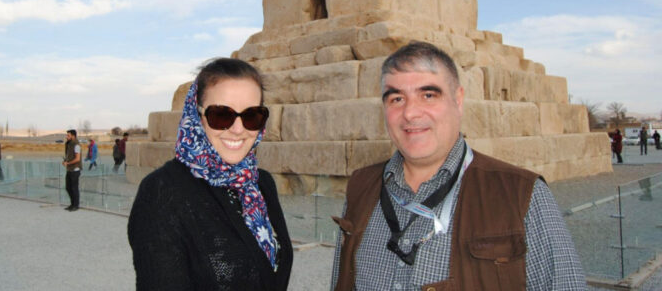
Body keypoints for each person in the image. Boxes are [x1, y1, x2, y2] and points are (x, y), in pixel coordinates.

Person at [330, 41, 585, 291]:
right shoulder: (360, 187)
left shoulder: (524, 195)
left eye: (428, 95)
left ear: (458, 100)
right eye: (396, 98)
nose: (410, 113)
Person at [128, 58, 293, 290]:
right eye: (221, 115)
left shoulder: (260, 182)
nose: (238, 129)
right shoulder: (162, 192)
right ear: (196, 117)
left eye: (251, 115)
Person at [62, 129, 82, 211]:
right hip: (69, 169)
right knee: (68, 187)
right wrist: (65, 162)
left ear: (73, 136)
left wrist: (68, 163)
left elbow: (77, 159)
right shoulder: (69, 144)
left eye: (68, 135)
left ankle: (76, 205)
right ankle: (72, 204)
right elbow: (69, 156)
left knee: (74, 188)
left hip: (75, 169)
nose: (67, 137)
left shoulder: (76, 145)